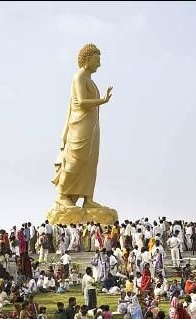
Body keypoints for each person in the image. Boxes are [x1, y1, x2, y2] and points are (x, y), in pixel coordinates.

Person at [52, 43, 113, 208]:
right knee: (76, 159)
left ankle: (88, 198)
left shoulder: (90, 81)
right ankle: (63, 194)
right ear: (88, 59)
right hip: (79, 125)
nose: (99, 64)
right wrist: (103, 101)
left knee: (90, 161)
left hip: (92, 125)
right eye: (97, 59)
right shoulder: (79, 77)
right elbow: (82, 102)